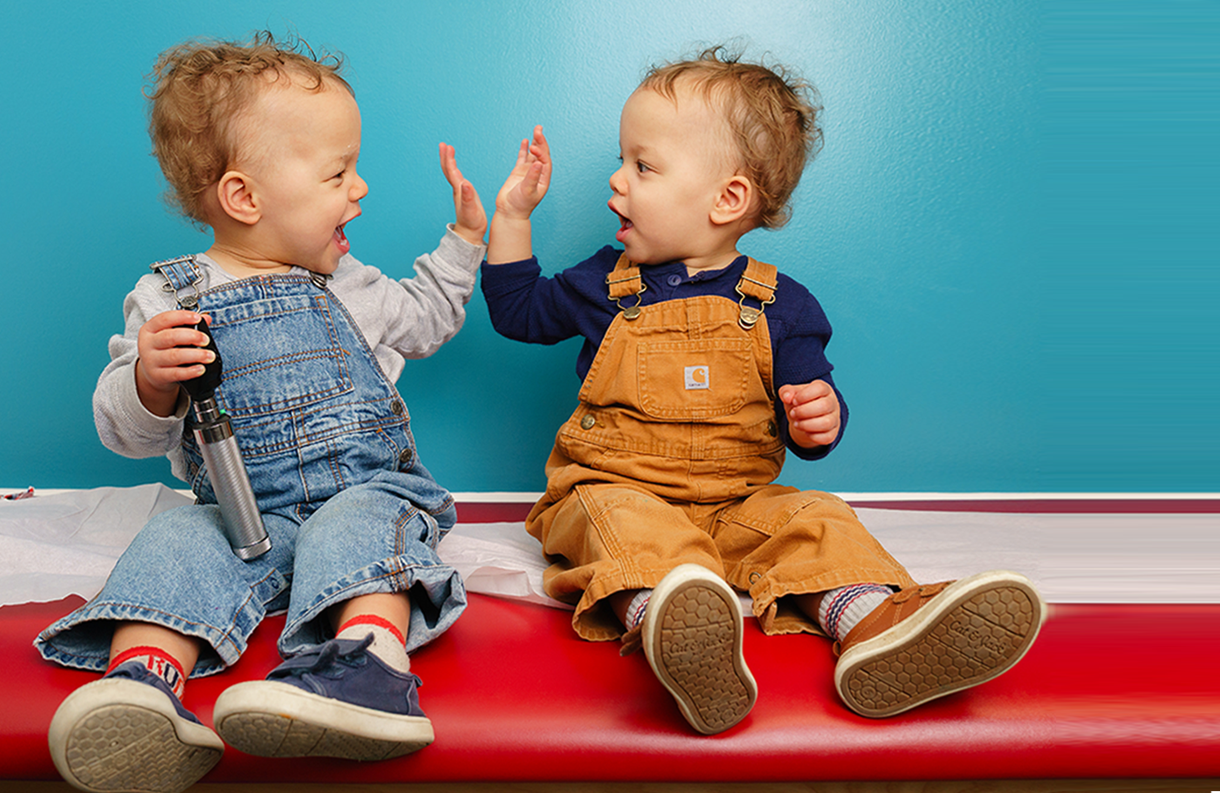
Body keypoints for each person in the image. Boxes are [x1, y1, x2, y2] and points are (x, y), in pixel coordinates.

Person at [480, 46, 1046, 736]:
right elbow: (517, 315)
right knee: (622, 522)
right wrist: (512, 216)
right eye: (623, 160)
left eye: (642, 165)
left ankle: (876, 625)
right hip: (616, 483)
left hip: (735, 506)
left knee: (818, 518)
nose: (615, 180)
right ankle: (678, 624)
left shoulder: (784, 305)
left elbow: (813, 412)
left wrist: (820, 420)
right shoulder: (603, 281)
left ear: (728, 198)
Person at [36, 33, 488, 793]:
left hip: (361, 490)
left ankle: (368, 673)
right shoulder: (169, 299)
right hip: (245, 516)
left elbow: (428, 317)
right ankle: (140, 689)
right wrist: (149, 381)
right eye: (339, 173)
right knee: (177, 533)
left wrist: (466, 241)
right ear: (245, 197)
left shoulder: (350, 280)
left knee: (361, 523)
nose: (361, 188)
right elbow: (126, 432)